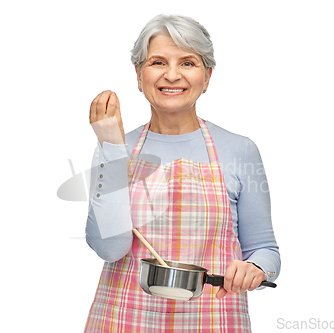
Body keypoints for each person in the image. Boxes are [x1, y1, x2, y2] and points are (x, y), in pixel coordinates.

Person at [84, 14, 280, 332]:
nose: (172, 75)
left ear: (207, 76)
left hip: (215, 320)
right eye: (158, 62)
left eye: (187, 63)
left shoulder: (240, 150)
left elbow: (265, 249)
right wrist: (111, 150)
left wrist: (255, 268)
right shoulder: (115, 148)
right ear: (138, 74)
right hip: (124, 322)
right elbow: (110, 249)